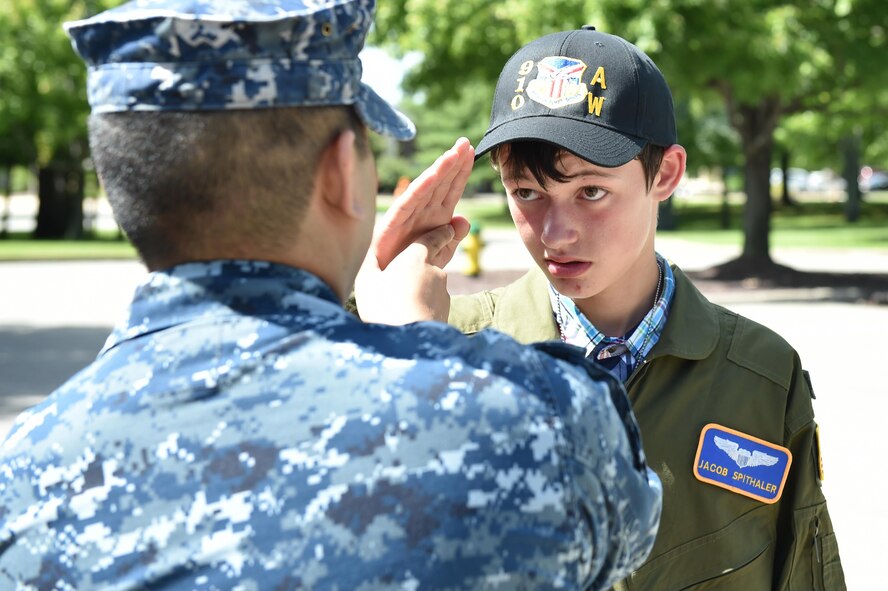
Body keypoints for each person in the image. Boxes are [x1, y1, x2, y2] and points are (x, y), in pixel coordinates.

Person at [0, 3, 664, 590]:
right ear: (342, 168)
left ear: (127, 188)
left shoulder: (23, 474)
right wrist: (418, 345)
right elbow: (629, 535)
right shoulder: (538, 413)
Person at [357, 26, 845, 590]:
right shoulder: (444, 349)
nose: (556, 234)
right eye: (527, 193)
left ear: (664, 174)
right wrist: (384, 325)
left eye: (591, 192)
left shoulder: (760, 373)